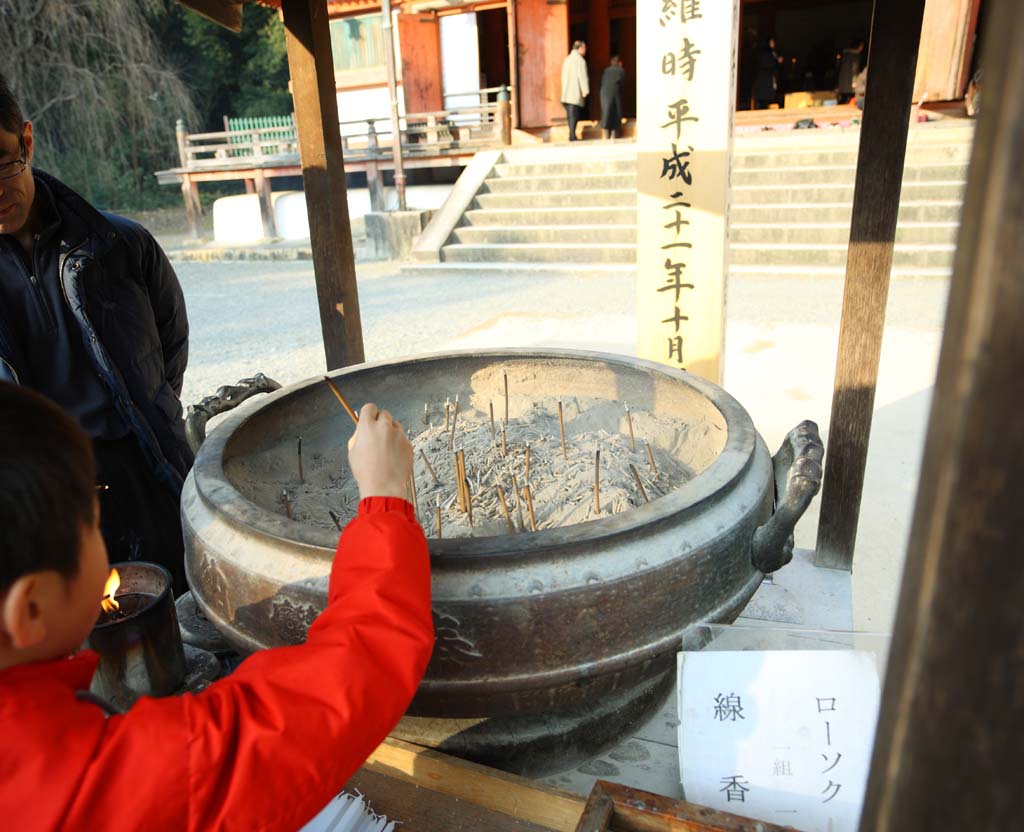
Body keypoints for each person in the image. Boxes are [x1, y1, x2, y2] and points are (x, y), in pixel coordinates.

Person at [0, 383, 434, 830]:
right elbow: (354, 672)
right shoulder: (99, 785)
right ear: (31, 609)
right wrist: (385, 497)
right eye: (92, 526)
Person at [0, 75, 192, 595]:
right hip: (49, 500)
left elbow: (171, 344)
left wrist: (148, 414)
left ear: (27, 141)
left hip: (146, 467)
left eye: (2, 163)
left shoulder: (120, 244)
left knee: (187, 615)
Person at [561, 40, 590, 141]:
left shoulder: (567, 59)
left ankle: (572, 134)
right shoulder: (580, 61)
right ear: (580, 48)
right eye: (584, 48)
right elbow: (582, 76)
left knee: (570, 115)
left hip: (566, 92)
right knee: (574, 115)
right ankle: (572, 135)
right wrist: (585, 90)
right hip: (574, 92)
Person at [751, 36, 783, 110]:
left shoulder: (773, 52)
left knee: (769, 98)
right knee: (764, 99)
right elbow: (767, 64)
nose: (773, 44)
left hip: (770, 78)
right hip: (765, 79)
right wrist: (776, 61)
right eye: (771, 42)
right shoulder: (765, 53)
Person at [600, 55, 626, 140]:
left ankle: (607, 133)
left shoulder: (606, 70)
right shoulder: (620, 70)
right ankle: (615, 133)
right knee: (616, 112)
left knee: (606, 111)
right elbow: (623, 83)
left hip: (604, 93)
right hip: (615, 93)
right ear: (619, 63)